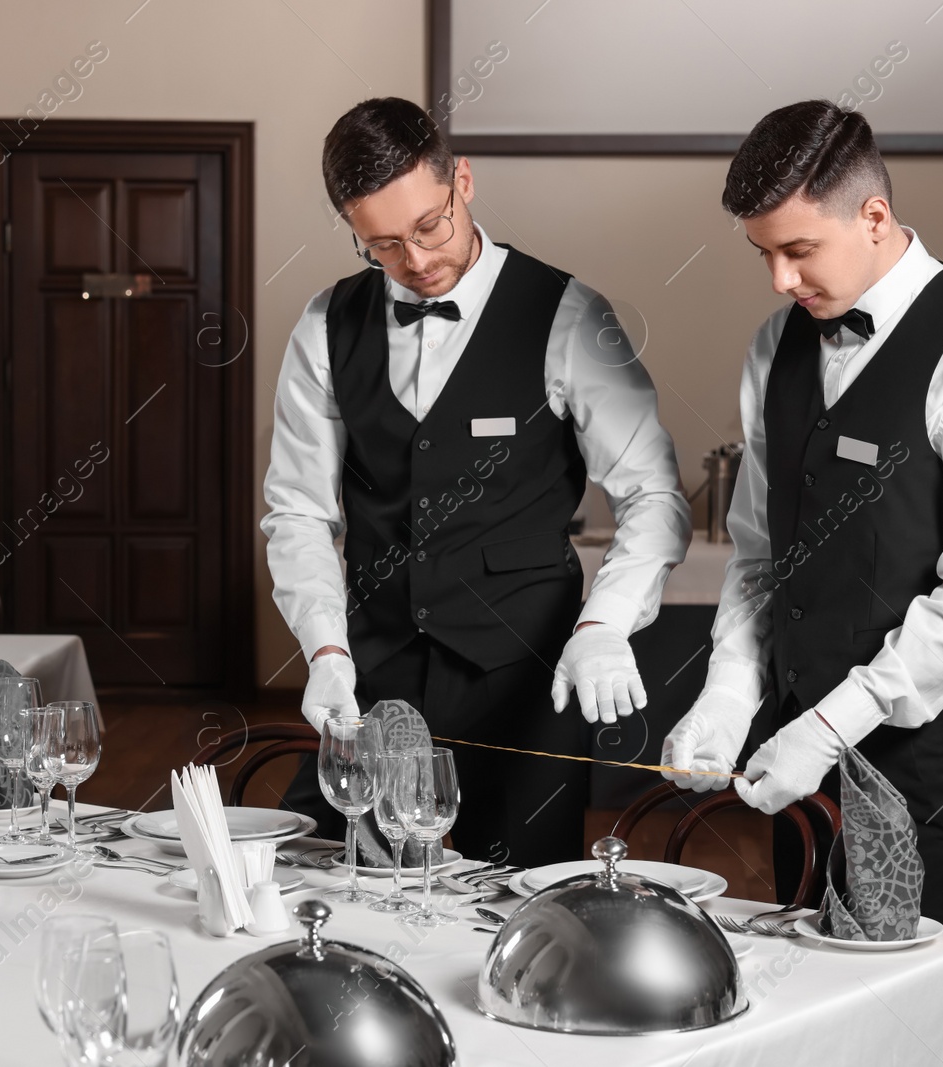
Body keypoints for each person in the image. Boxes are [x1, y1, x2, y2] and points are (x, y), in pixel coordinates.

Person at [661, 100, 943, 933]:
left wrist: (832, 726)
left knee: (915, 1010)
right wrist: (732, 688)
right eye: (763, 254)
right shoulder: (776, 345)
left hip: (922, 760)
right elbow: (762, 550)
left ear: (873, 216)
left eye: (799, 250)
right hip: (796, 749)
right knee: (807, 988)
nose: (780, 280)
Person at [262, 97, 689, 867]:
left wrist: (603, 625)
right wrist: (325, 650)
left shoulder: (567, 316)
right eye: (384, 246)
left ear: (462, 181)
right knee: (341, 887)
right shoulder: (325, 327)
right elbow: (296, 511)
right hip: (377, 665)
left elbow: (654, 495)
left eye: (430, 227)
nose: (418, 261)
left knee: (521, 908)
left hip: (525, 677)